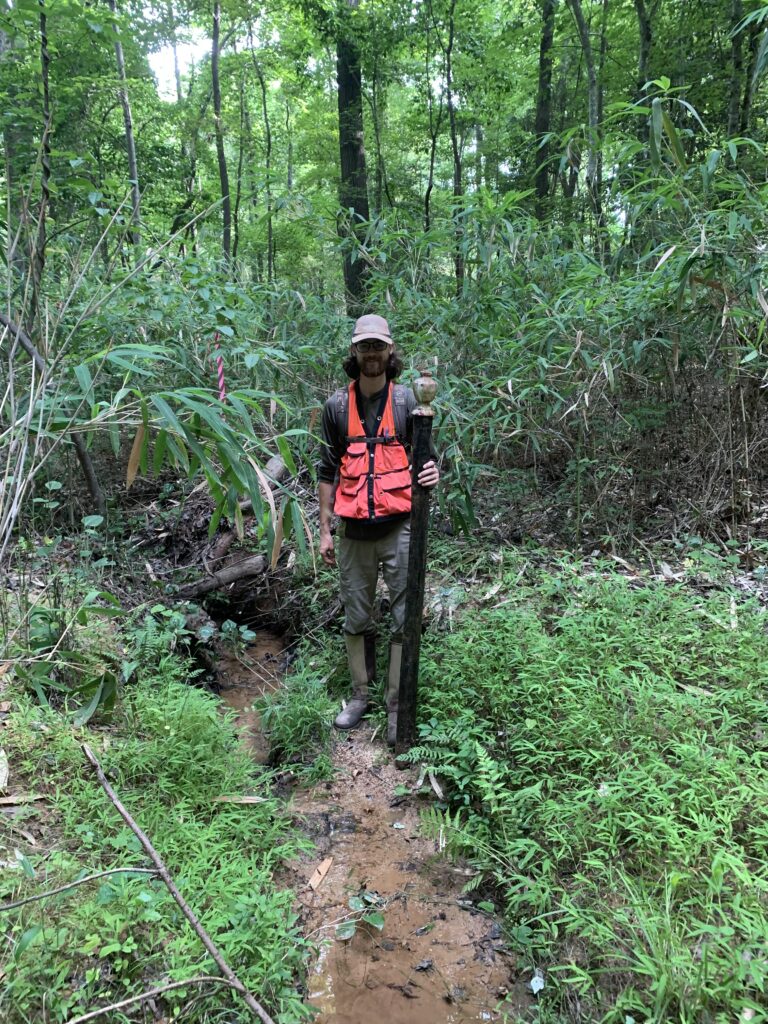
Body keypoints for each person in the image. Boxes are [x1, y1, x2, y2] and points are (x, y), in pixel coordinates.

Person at [318, 314, 439, 746]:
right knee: (356, 615)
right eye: (364, 347)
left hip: (399, 527)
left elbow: (426, 459)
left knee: (405, 618)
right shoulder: (336, 406)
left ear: (391, 352)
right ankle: (359, 696)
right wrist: (325, 530)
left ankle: (395, 704)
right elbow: (327, 470)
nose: (371, 354)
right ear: (354, 352)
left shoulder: (408, 402)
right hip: (353, 531)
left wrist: (432, 474)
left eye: (378, 346)